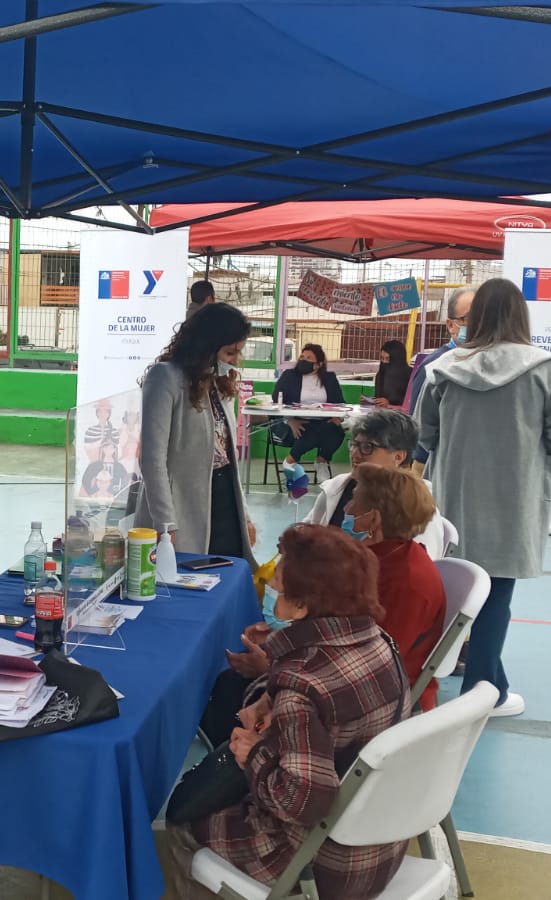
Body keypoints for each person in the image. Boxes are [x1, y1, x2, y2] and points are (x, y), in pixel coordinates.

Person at [170, 524, 408, 900]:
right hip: (381, 844)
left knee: (183, 824)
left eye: (278, 588)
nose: (272, 594)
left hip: (320, 863)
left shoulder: (301, 685)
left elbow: (301, 801)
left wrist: (253, 754)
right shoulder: (380, 643)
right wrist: (271, 690)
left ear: (302, 605)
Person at [416, 277, 551, 718]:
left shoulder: (442, 370)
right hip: (514, 497)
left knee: (452, 586)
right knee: (497, 593)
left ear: (474, 317)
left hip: (455, 495)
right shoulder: (547, 371)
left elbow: (425, 433)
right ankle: (486, 689)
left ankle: (471, 678)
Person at [138, 302, 258, 560]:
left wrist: (243, 515)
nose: (235, 360)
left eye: (238, 352)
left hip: (224, 500)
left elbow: (228, 456)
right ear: (206, 346)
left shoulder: (218, 383)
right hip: (181, 508)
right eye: (229, 352)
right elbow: (152, 459)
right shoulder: (165, 378)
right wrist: (165, 524)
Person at [343, 464, 447, 709]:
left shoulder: (405, 581)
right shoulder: (384, 557)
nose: (347, 509)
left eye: (354, 501)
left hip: (384, 695)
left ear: (374, 518)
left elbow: (375, 661)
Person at [300, 408, 452, 560]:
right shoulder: (336, 488)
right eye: (354, 444)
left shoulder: (415, 505)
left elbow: (421, 563)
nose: (355, 453)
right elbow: (305, 534)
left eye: (367, 447)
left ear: (398, 456)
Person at [404, 287, 474, 472]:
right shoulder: (434, 366)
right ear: (450, 325)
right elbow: (418, 427)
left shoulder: (489, 364)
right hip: (433, 468)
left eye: (483, 319)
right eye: (468, 319)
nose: (477, 325)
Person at [269, 343, 345, 483]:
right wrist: (289, 420)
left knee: (337, 431)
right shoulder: (289, 376)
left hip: (321, 423)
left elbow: (339, 402)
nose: (303, 360)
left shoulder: (329, 378)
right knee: (313, 431)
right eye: (302, 356)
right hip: (293, 424)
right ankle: (292, 460)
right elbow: (276, 401)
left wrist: (336, 416)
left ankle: (320, 461)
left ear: (318, 364)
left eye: (308, 358)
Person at [371, 340, 411, 408]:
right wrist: (371, 401)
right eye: (382, 358)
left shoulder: (411, 375)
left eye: (388, 359)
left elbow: (411, 404)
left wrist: (389, 405)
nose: (384, 362)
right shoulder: (381, 374)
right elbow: (379, 397)